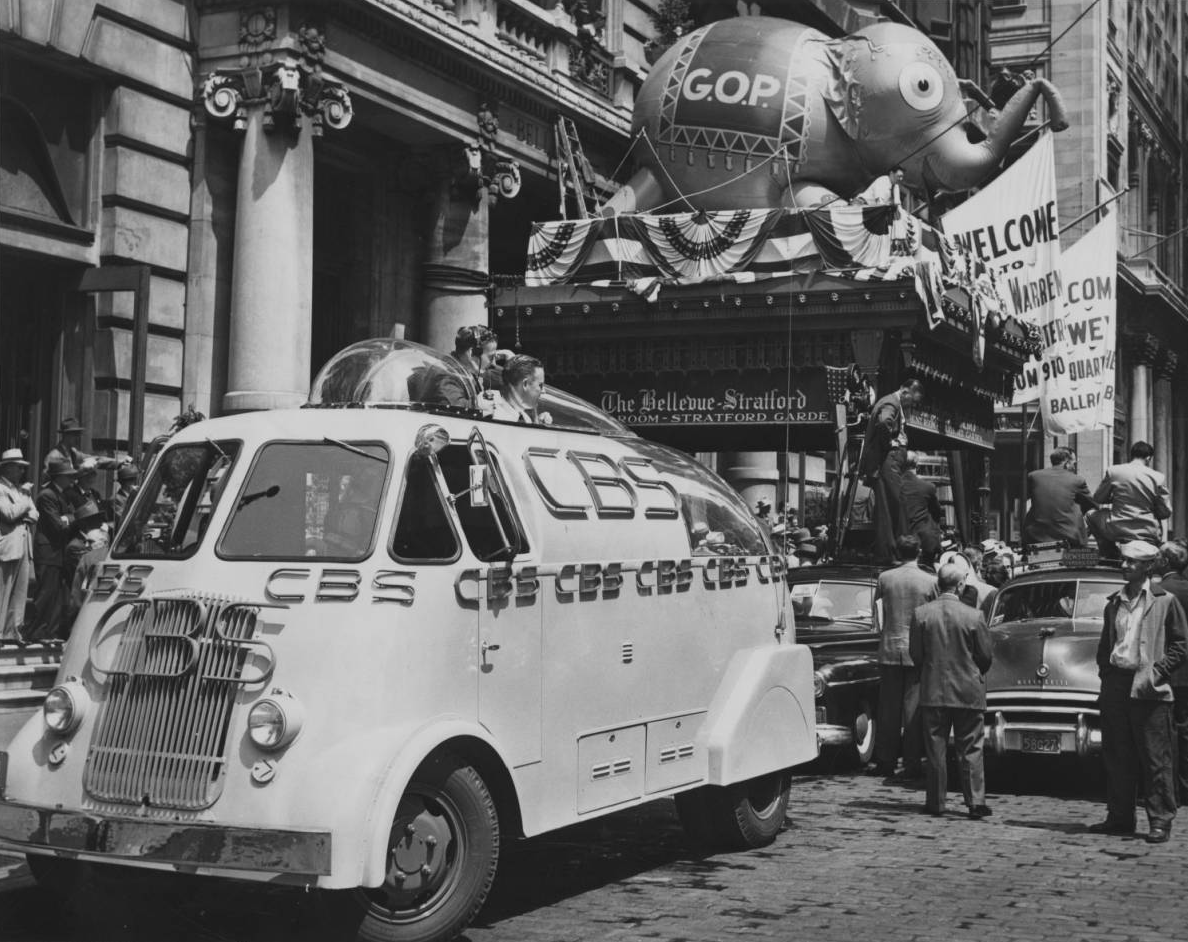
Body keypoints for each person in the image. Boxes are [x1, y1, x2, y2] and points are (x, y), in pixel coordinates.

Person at [1091, 540, 1188, 842]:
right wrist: (1107, 678)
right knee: (1118, 754)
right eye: (1122, 561)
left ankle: (1160, 820)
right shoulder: (1113, 603)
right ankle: (1119, 817)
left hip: (1148, 686)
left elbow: (1181, 644)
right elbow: (1107, 646)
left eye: (1131, 562)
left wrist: (1157, 671)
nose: (1124, 566)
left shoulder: (1164, 601)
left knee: (1155, 756)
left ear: (1147, 566)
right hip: (1117, 683)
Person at [909, 562, 994, 819]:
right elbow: (985, 656)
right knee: (970, 747)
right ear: (960, 585)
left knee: (935, 749)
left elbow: (916, 655)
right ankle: (975, 801)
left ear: (938, 584)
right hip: (967, 688)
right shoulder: (973, 615)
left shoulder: (922, 614)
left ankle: (936, 802)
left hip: (934, 688)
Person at [873, 534, 938, 780]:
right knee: (913, 708)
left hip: (890, 646)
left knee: (888, 709)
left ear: (898, 553)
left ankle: (885, 760)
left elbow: (877, 613)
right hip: (917, 649)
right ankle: (912, 761)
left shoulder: (885, 578)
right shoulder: (929, 581)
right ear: (919, 551)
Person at [859, 378, 924, 565]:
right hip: (889, 460)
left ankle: (892, 551)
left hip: (890, 460)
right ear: (905, 392)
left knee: (890, 504)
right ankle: (896, 552)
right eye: (911, 400)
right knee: (895, 503)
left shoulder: (891, 402)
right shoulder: (891, 402)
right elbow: (883, 422)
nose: (911, 405)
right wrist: (889, 442)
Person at [1088, 442, 1172, 560]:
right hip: (1147, 529)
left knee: (1090, 515)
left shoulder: (1114, 471)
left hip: (1117, 528)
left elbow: (1098, 498)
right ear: (1148, 458)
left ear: (1131, 455)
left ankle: (1109, 552)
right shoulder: (1158, 477)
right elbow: (1165, 512)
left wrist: (1115, 498)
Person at [30, 459, 80, 643]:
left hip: (57, 551)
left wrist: (67, 518)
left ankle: (49, 632)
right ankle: (37, 632)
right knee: (46, 593)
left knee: (57, 594)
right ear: (59, 477)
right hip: (48, 551)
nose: (71, 480)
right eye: (68, 476)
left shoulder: (61, 495)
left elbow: (64, 520)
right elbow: (58, 525)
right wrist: (70, 517)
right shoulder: (47, 495)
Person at [1158, 541, 1188, 806]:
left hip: (1169, 670)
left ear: (1165, 562)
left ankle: (1171, 792)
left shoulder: (1160, 592)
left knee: (1167, 733)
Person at [0, 449, 38, 646]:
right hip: (7, 543)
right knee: (3, 589)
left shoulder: (20, 490)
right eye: (17, 467)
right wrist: (24, 501)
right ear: (7, 468)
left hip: (23, 542)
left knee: (20, 590)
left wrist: (22, 509)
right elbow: (9, 513)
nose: (21, 472)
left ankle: (13, 632)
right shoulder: (2, 488)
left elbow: (34, 514)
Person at [1023, 446, 1096, 548]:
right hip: (1070, 539)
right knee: (1095, 515)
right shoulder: (1077, 480)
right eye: (1074, 464)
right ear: (1067, 463)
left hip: (1035, 537)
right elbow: (1091, 505)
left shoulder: (1034, 476)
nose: (1074, 468)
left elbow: (1024, 501)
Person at [420, 325, 499, 410]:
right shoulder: (446, 373)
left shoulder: (463, 369)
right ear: (472, 352)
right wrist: (478, 404)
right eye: (491, 357)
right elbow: (453, 408)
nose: (493, 362)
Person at [42, 417, 124, 477]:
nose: (78, 438)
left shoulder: (73, 453)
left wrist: (120, 462)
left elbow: (97, 459)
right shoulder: (53, 456)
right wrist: (82, 470)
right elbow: (46, 481)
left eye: (78, 434)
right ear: (66, 435)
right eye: (74, 434)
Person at [901, 451, 942, 565]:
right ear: (917, 465)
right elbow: (937, 513)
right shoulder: (928, 487)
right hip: (923, 542)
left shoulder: (895, 486)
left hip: (898, 540)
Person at [491, 354, 550, 425]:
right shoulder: (496, 418)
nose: (543, 391)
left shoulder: (525, 418)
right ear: (525, 384)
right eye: (540, 385)